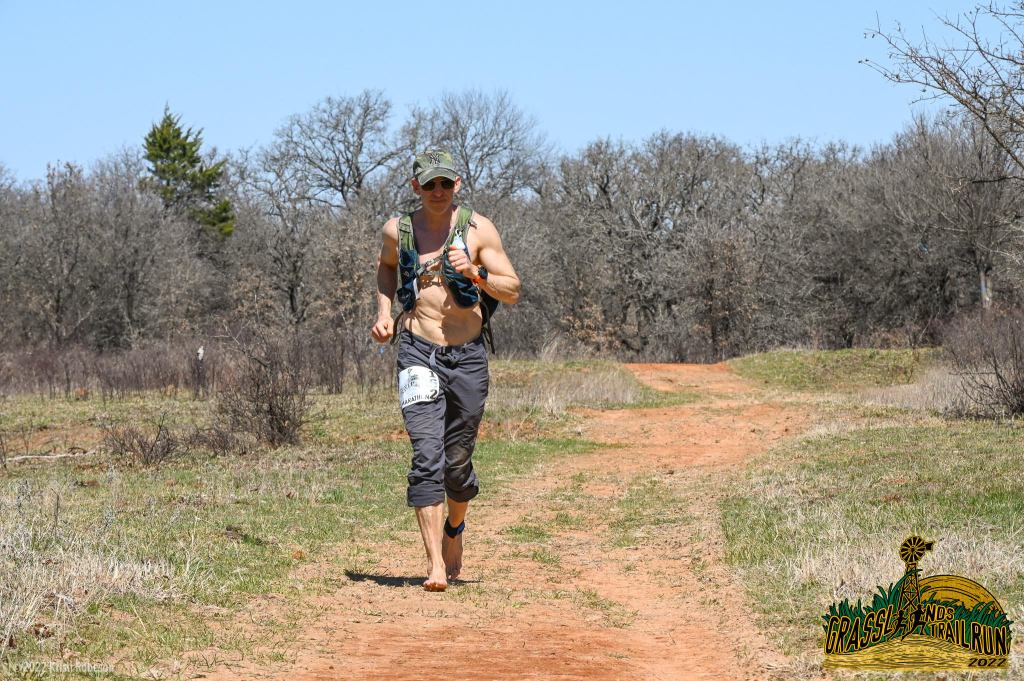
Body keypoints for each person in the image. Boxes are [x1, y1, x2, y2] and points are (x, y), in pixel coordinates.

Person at [371, 149, 521, 591]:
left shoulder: (478, 229)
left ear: (457, 185)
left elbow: (512, 289)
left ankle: (455, 528)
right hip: (418, 350)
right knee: (426, 456)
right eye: (428, 184)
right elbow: (385, 269)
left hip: (467, 355)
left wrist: (475, 273)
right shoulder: (397, 231)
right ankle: (435, 563)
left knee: (456, 463)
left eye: (445, 183)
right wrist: (383, 314)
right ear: (415, 187)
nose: (437, 191)